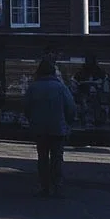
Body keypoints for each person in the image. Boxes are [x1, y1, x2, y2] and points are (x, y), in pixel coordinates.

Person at [24, 57, 76, 197]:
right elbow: (70, 108)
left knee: (42, 158)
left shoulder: (33, 87)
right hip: (58, 129)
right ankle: (57, 185)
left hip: (39, 129)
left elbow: (26, 108)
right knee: (57, 158)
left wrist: (33, 120)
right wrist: (68, 123)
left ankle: (44, 186)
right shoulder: (61, 87)